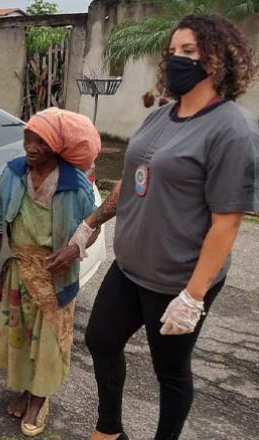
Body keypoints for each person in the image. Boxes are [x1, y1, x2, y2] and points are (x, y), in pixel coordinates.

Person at [53, 14, 258, 440]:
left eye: (189, 51)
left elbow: (226, 223)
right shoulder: (161, 117)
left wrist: (193, 296)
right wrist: (89, 225)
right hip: (130, 264)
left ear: (218, 59)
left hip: (177, 278)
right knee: (102, 339)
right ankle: (109, 430)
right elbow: (132, 182)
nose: (176, 58)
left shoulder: (232, 130)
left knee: (170, 371)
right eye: (172, 51)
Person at [0, 107, 101, 437]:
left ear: (56, 145)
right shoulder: (13, 173)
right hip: (18, 270)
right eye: (27, 139)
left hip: (55, 276)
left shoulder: (73, 183)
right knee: (23, 339)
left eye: (40, 141)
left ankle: (40, 400)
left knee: (49, 342)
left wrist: (74, 250)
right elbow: (2, 223)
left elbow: (91, 226)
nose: (31, 147)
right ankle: (26, 391)